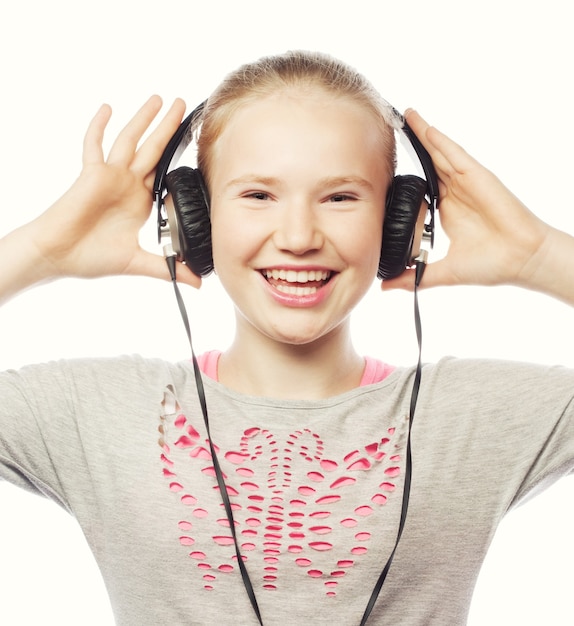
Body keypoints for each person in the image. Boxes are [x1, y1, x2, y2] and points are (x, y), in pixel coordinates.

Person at [0, 50, 572, 625]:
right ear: (188, 217)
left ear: (402, 223)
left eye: (340, 196)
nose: (298, 237)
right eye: (257, 195)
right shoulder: (98, 412)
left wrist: (541, 256)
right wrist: (42, 250)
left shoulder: (468, 416)